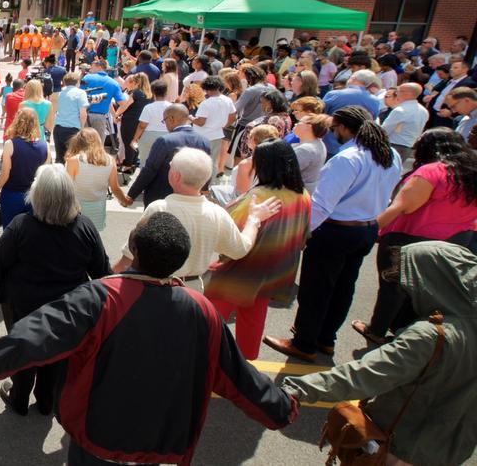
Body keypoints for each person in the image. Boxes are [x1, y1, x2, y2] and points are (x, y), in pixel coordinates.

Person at [0, 211, 296, 463]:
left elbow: (31, 338)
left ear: (134, 247)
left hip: (98, 438)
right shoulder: (201, 310)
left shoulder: (101, 297)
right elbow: (238, 376)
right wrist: (282, 409)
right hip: (164, 439)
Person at [282, 241, 477, 466]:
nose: (408, 294)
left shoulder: (430, 336)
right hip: (451, 452)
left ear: (434, 283)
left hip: (398, 449)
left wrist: (295, 389)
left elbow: (364, 375)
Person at [0, 164, 109, 415]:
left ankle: (19, 398)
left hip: (24, 306)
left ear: (37, 195)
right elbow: (103, 272)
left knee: (22, 353)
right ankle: (46, 400)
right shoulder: (84, 228)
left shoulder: (21, 226)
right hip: (67, 310)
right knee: (58, 356)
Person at [265, 106, 402, 362]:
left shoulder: (347, 158)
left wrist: (302, 234)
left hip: (336, 230)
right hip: (366, 228)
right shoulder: (390, 154)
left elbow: (322, 204)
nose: (333, 134)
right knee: (343, 287)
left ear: (346, 128)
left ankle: (304, 342)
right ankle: (326, 338)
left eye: (335, 128)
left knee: (316, 289)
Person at [353, 128, 477, 342]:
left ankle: (377, 330)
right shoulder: (470, 172)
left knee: (392, 287)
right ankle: (406, 331)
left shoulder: (431, 172)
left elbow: (402, 207)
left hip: (410, 238)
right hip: (456, 241)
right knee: (426, 291)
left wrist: (369, 232)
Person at [204, 140, 311, 359]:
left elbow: (229, 235)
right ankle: (246, 362)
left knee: (210, 320)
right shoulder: (303, 196)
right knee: (253, 316)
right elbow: (303, 235)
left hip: (240, 270)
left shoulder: (259, 196)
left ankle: (202, 360)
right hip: (273, 271)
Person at [116, 147, 281, 287]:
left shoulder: (159, 208)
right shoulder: (217, 213)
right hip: (192, 288)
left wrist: (104, 280)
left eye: (171, 167)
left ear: (176, 176)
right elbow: (240, 249)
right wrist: (254, 219)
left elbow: (129, 256)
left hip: (154, 286)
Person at [123, 104, 212, 207]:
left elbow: (149, 170)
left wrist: (131, 195)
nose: (165, 124)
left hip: (162, 198)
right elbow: (207, 169)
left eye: (164, 121)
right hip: (191, 199)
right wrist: (204, 190)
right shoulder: (204, 141)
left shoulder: (165, 141)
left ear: (171, 119)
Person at [0, 108, 49, 228]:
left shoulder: (10, 144)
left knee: (10, 233)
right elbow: (44, 176)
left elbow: (5, 175)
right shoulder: (44, 146)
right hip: (34, 196)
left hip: (12, 195)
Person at [64, 128, 126, 232]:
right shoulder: (110, 161)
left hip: (76, 208)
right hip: (98, 208)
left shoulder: (73, 161)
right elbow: (115, 187)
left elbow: (66, 189)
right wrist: (124, 200)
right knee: (93, 238)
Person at [290, 113, 330, 194]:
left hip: (296, 193)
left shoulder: (306, 149)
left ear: (308, 126)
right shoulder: (318, 143)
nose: (296, 124)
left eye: (299, 122)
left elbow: (284, 170)